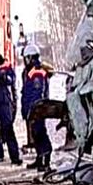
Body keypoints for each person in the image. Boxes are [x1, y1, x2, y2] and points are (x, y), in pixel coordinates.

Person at [21, 44, 52, 172]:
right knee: (35, 133)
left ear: (31, 58)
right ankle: (40, 158)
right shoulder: (30, 71)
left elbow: (37, 93)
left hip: (38, 109)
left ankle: (46, 159)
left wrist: (33, 108)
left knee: (40, 133)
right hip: (33, 109)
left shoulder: (37, 72)